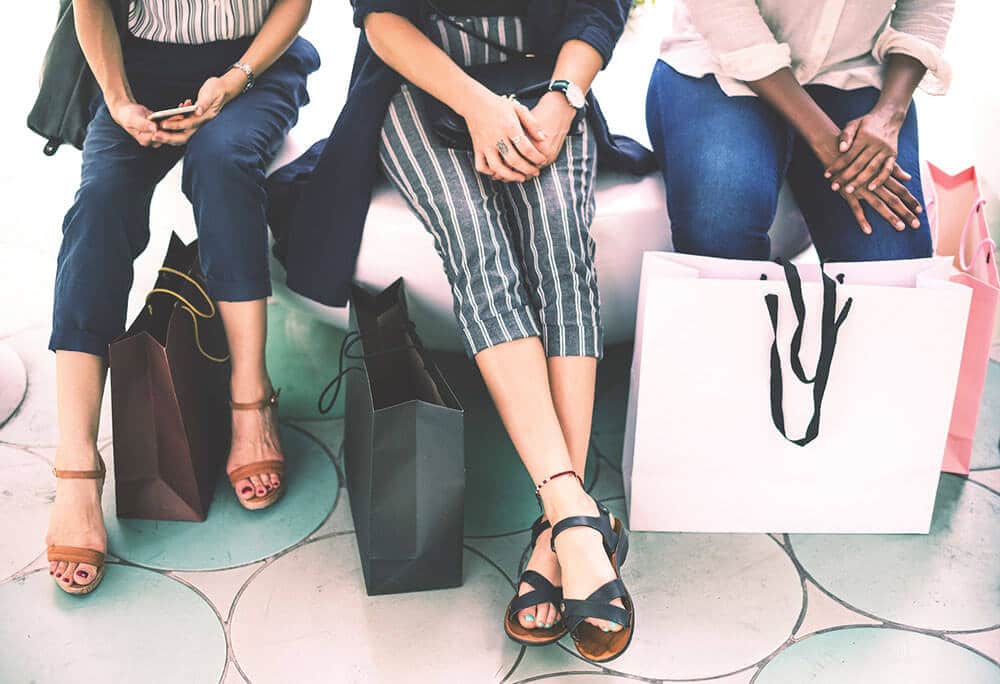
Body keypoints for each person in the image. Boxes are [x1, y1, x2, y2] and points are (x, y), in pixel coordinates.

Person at [271, 0, 646, 663]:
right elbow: (380, 17)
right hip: (419, 83)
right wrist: (477, 104)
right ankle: (574, 515)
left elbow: (600, 8)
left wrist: (564, 97)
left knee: (562, 241)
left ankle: (557, 530)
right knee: (478, 247)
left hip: (550, 79)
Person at [44, 0, 318, 596]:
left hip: (254, 65)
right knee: (97, 209)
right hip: (135, 69)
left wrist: (235, 78)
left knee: (222, 164)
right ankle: (77, 467)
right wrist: (117, 101)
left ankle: (251, 398)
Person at [646, 0, 955, 261]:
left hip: (850, 69)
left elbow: (927, 5)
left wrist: (889, 114)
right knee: (721, 222)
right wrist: (826, 141)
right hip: (718, 60)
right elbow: (723, 12)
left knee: (891, 260)